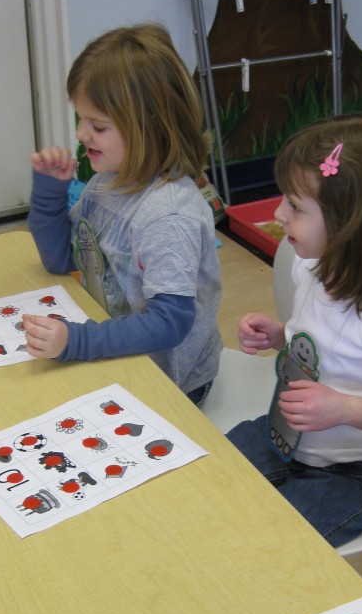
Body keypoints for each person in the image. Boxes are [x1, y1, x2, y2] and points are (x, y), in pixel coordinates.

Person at [227, 113, 362, 547]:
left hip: (354, 474)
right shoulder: (312, 267)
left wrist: (344, 408)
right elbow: (326, 341)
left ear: (351, 223)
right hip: (283, 438)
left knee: (265, 548)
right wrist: (280, 334)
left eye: (295, 206)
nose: (277, 213)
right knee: (204, 490)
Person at [22, 23, 222, 404]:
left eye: (98, 126)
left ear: (149, 128)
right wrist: (50, 193)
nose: (82, 134)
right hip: (114, 345)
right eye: (80, 119)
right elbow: (60, 258)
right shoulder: (108, 181)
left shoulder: (167, 219)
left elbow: (169, 324)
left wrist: (77, 340)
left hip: (172, 380)